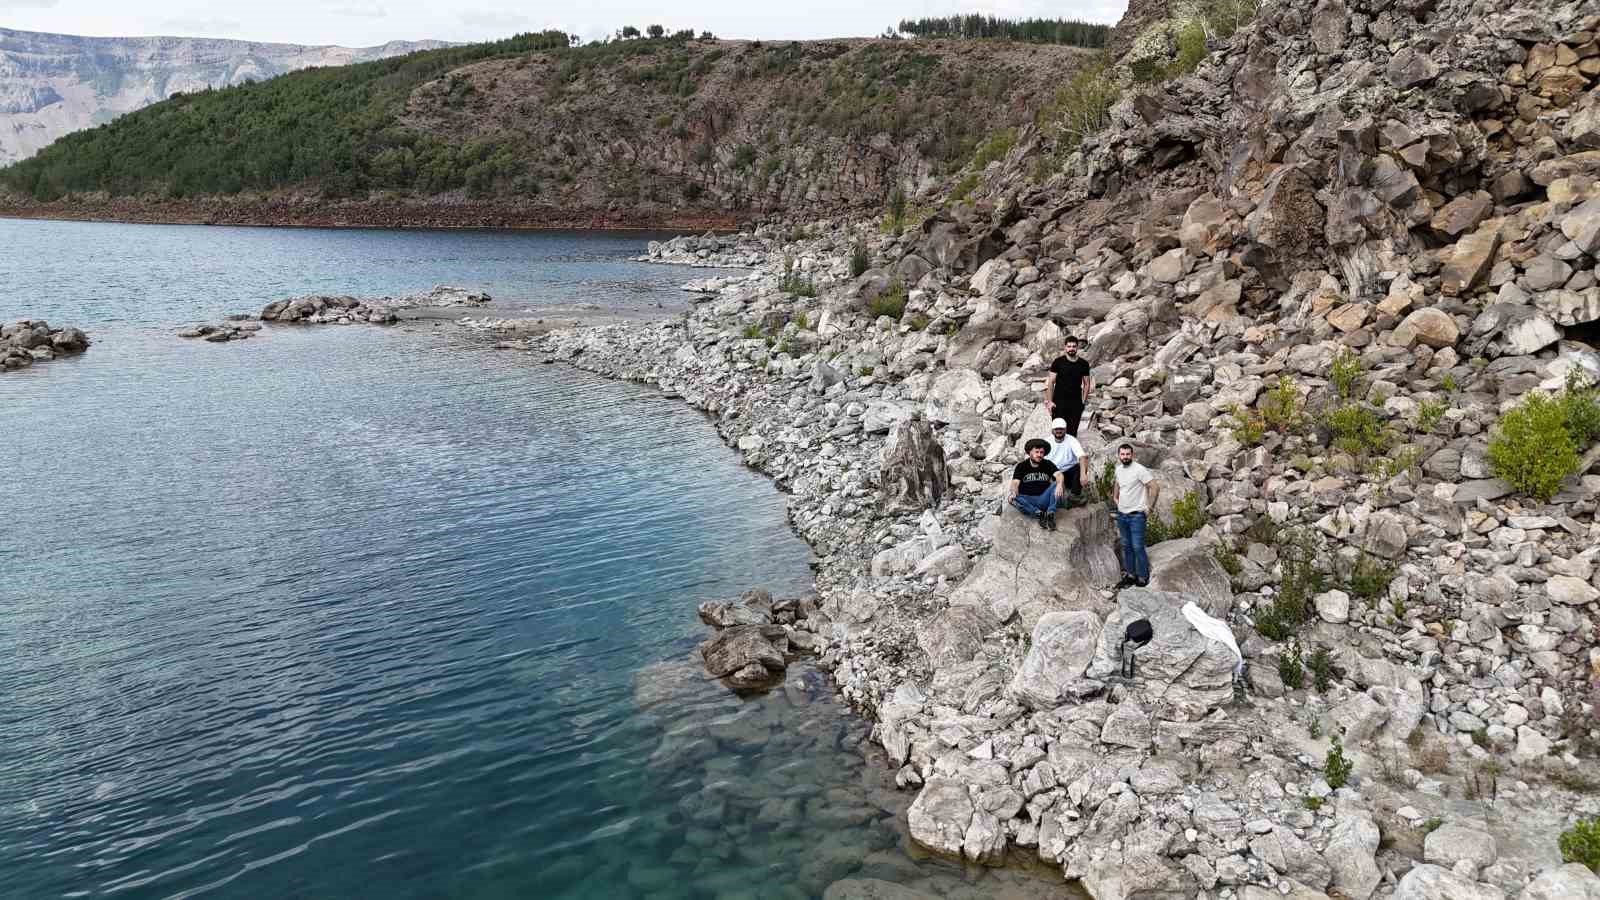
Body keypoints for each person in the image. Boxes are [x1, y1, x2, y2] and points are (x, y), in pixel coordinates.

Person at [1111, 443, 1159, 587]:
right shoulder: (1118, 469)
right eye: (1122, 454)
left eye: (1128, 454)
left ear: (1132, 455)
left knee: (1138, 546)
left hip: (1137, 515)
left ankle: (1143, 577)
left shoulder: (1139, 469)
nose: (1125, 457)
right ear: (1119, 455)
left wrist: (1149, 508)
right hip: (1122, 515)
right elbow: (1117, 484)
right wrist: (1116, 499)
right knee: (1126, 546)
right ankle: (1130, 575)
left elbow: (1154, 487)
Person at [1009, 438, 1064, 530]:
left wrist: (1059, 485)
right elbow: (1015, 482)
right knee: (1013, 498)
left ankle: (1050, 514)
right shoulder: (1021, 466)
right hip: (1028, 500)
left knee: (1057, 483)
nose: (1039, 455)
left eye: (1041, 452)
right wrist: (1014, 492)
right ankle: (1039, 514)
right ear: (1029, 452)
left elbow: (1059, 474)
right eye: (1036, 452)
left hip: (1044, 498)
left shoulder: (1048, 464)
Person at [1045, 335, 1093, 436]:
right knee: (1058, 432)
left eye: (1074, 346)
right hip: (1059, 403)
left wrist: (1083, 402)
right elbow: (1051, 382)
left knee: (1072, 433)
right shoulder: (1058, 362)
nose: (1071, 349)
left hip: (1076, 403)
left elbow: (1087, 383)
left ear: (1077, 347)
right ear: (1065, 347)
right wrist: (1050, 402)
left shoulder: (1083, 364)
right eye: (1069, 346)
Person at [1044, 418, 1086, 505]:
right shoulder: (1047, 442)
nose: (1059, 431)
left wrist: (1083, 475)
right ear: (1052, 430)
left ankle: (1074, 496)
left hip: (1069, 473)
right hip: (1055, 473)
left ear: (1065, 429)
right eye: (1056, 429)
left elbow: (1082, 456)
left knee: (1081, 466)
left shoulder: (1071, 440)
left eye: (1061, 429)